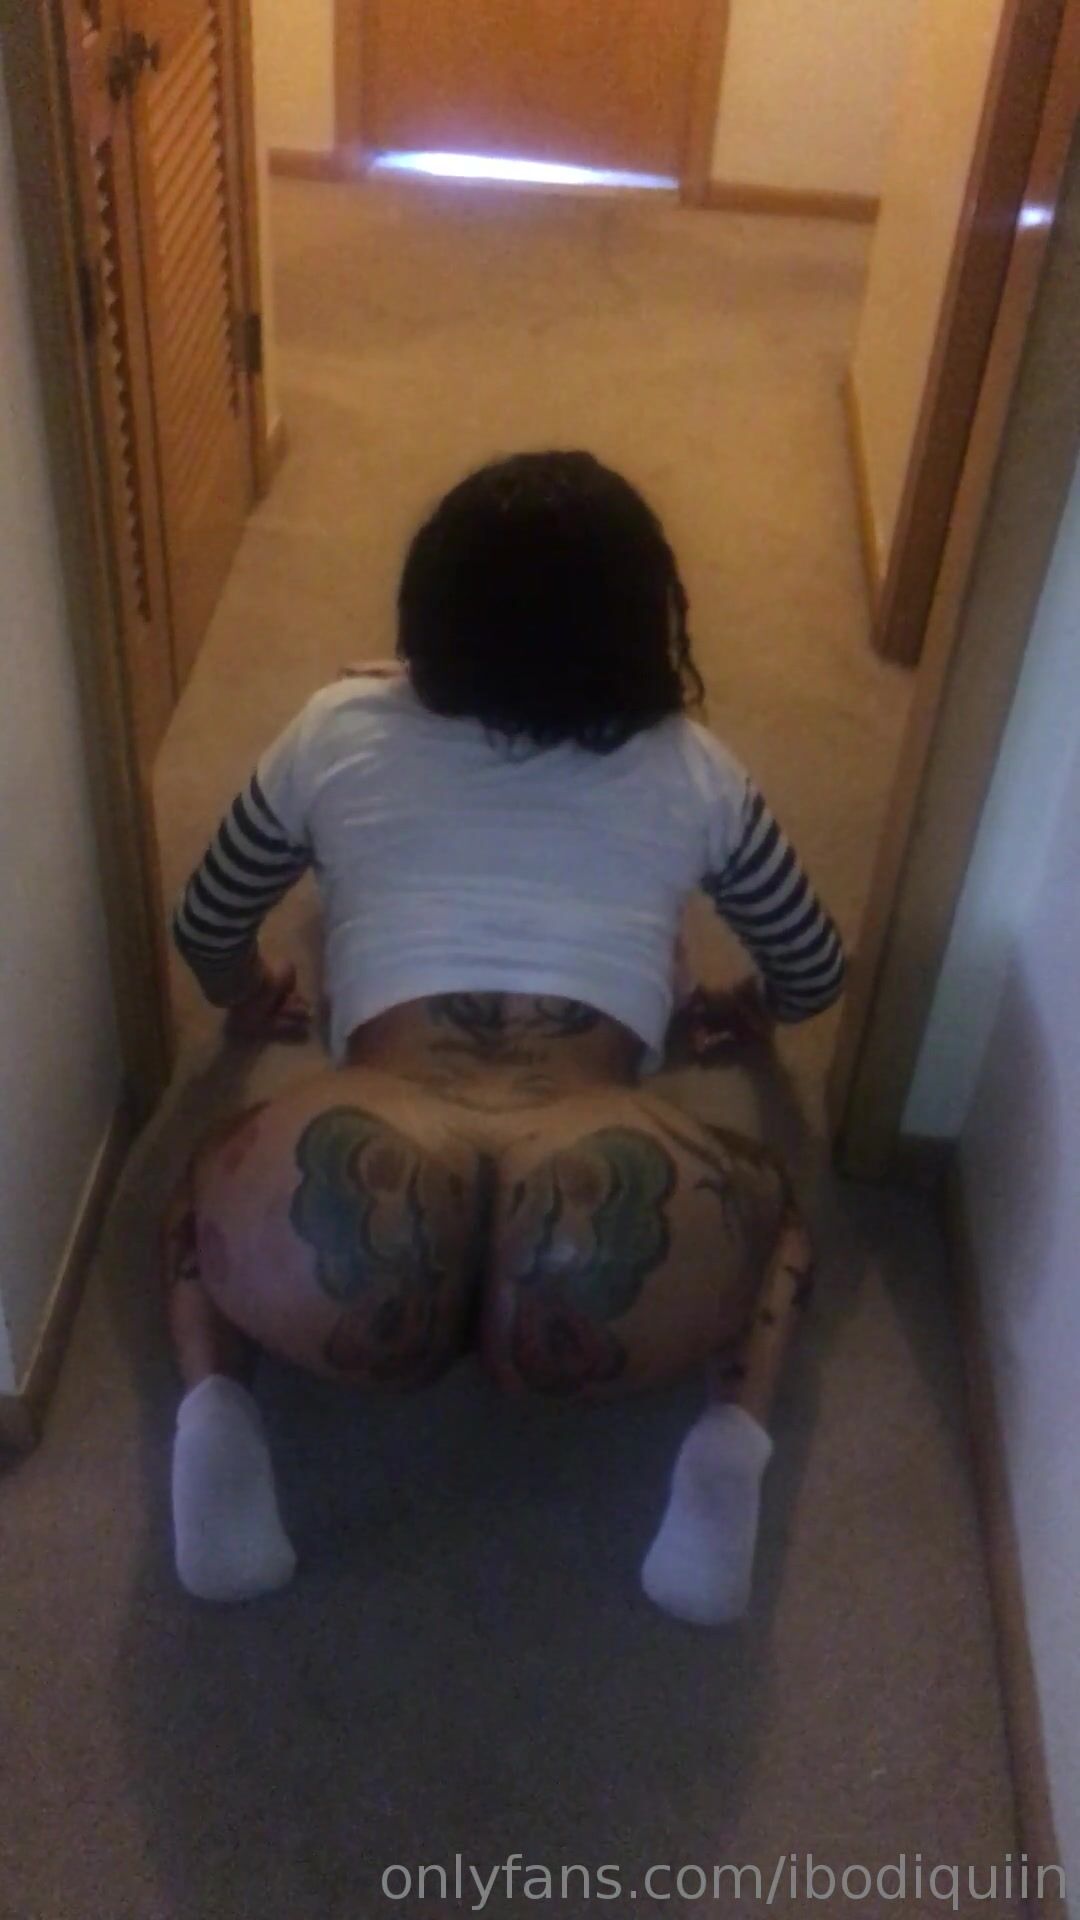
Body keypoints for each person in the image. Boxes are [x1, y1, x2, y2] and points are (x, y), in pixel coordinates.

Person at [165, 451, 844, 1615]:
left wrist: (247, 993)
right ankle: (728, 1449)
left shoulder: (335, 728)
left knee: (201, 1181)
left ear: (426, 612)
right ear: (647, 624)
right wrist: (755, 1006)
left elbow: (207, 920)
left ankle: (216, 1414)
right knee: (774, 1204)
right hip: (597, 1205)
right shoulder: (696, 769)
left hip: (365, 1183)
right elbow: (815, 966)